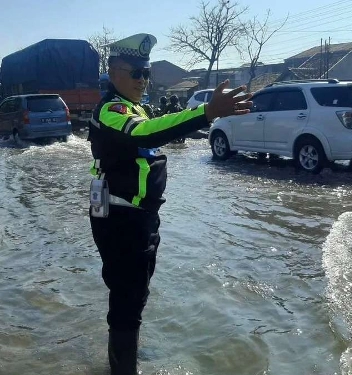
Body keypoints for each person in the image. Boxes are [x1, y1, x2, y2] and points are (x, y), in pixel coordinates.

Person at [87, 33, 252, 375]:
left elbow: (155, 130)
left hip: (137, 217)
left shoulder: (135, 107)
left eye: (146, 74)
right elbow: (145, 134)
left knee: (134, 293)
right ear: (115, 71)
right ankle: (122, 367)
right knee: (127, 297)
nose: (142, 80)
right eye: (136, 73)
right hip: (121, 218)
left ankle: (123, 354)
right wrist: (206, 112)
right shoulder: (112, 109)